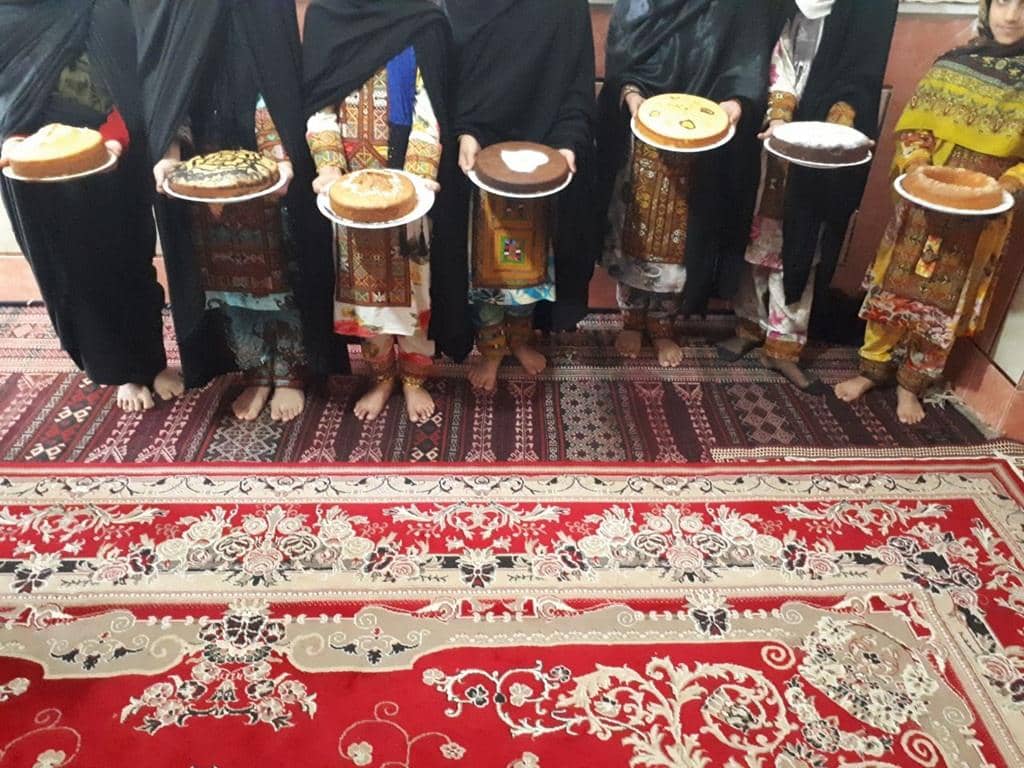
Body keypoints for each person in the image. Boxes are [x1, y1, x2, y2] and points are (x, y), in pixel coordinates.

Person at [134, 0, 339, 422]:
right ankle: (256, 371)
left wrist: (280, 159)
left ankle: (289, 373)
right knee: (227, 285)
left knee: (278, 275)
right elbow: (175, 85)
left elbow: (273, 77)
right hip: (202, 172)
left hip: (262, 166)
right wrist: (170, 154)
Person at [835, 0, 1023, 424]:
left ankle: (911, 384)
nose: (1011, 17)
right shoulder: (952, 65)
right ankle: (872, 368)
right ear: (986, 8)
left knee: (946, 301)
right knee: (895, 283)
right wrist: (918, 163)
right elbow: (916, 127)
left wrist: (1008, 184)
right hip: (923, 202)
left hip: (983, 211)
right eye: (1002, 4)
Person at [0, 0, 182, 412]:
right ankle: (121, 370)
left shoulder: (108, 8)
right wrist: (11, 140)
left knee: (130, 255)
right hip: (36, 161)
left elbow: (135, 79)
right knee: (77, 269)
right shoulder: (9, 15)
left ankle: (151, 361)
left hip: (115, 150)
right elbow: (7, 92)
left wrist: (116, 137)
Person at [717, 0, 897, 391]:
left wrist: (839, 123)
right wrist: (779, 115)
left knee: (801, 246)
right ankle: (749, 325)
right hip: (769, 141)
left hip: (820, 147)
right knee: (756, 238)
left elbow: (859, 76)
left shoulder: (864, 12)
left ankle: (783, 347)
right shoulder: (781, 8)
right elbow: (772, 55)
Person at [598, 0, 773, 367]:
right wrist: (632, 95)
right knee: (638, 230)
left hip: (703, 139)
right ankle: (630, 319)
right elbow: (623, 52)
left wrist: (737, 102)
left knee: (682, 241)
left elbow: (747, 56)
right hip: (644, 133)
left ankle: (663, 326)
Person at [303, 0, 450, 424]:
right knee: (362, 292)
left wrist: (419, 176)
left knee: (414, 284)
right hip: (349, 192)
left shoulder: (421, 16)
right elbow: (320, 101)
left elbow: (431, 103)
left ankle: (414, 377)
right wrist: (329, 167)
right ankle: (382, 375)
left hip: (409, 187)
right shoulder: (327, 16)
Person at [442, 0, 596, 392]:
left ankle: (520, 340)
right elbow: (450, 77)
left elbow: (576, 85)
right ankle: (491, 348)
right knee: (486, 272)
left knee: (530, 271)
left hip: (542, 165)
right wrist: (465, 131)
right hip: (478, 163)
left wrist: (568, 145)